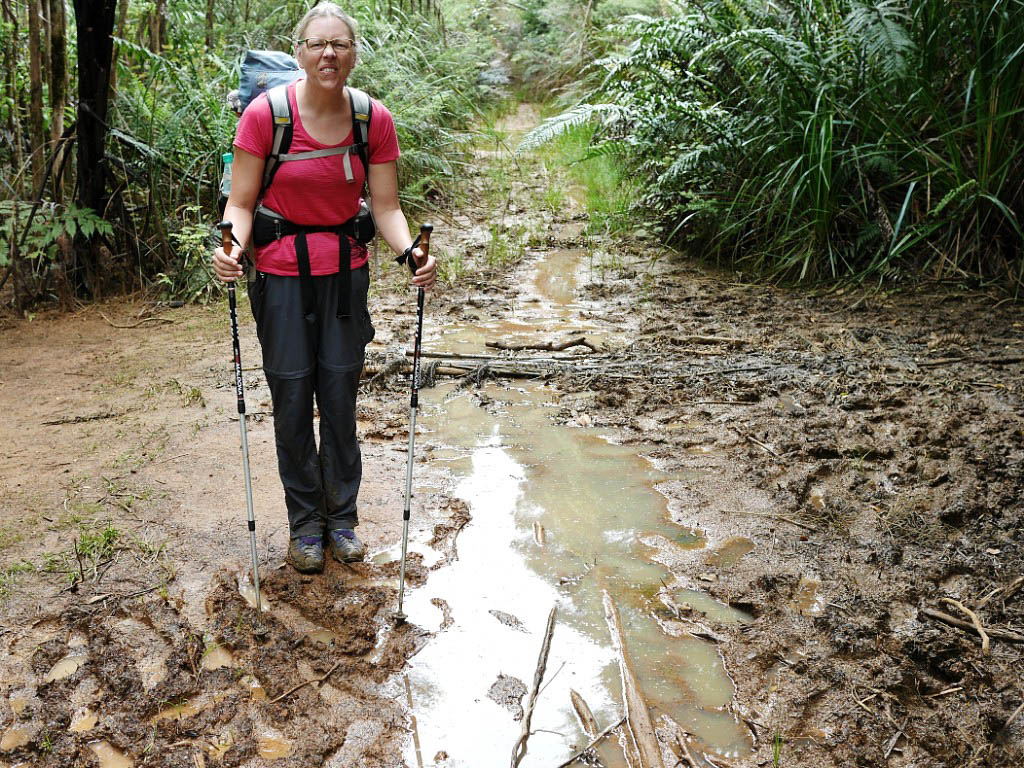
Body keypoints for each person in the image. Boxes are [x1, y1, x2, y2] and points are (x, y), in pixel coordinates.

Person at [212, 2, 436, 574]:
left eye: (339, 44)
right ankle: (305, 526)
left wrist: (408, 251)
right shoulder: (265, 117)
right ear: (300, 53)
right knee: (291, 401)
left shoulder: (371, 120)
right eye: (317, 44)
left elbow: (385, 207)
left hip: (344, 275)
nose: (328, 54)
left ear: (353, 53)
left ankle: (344, 521)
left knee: (338, 399)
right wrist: (232, 249)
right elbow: (240, 203)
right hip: (283, 277)